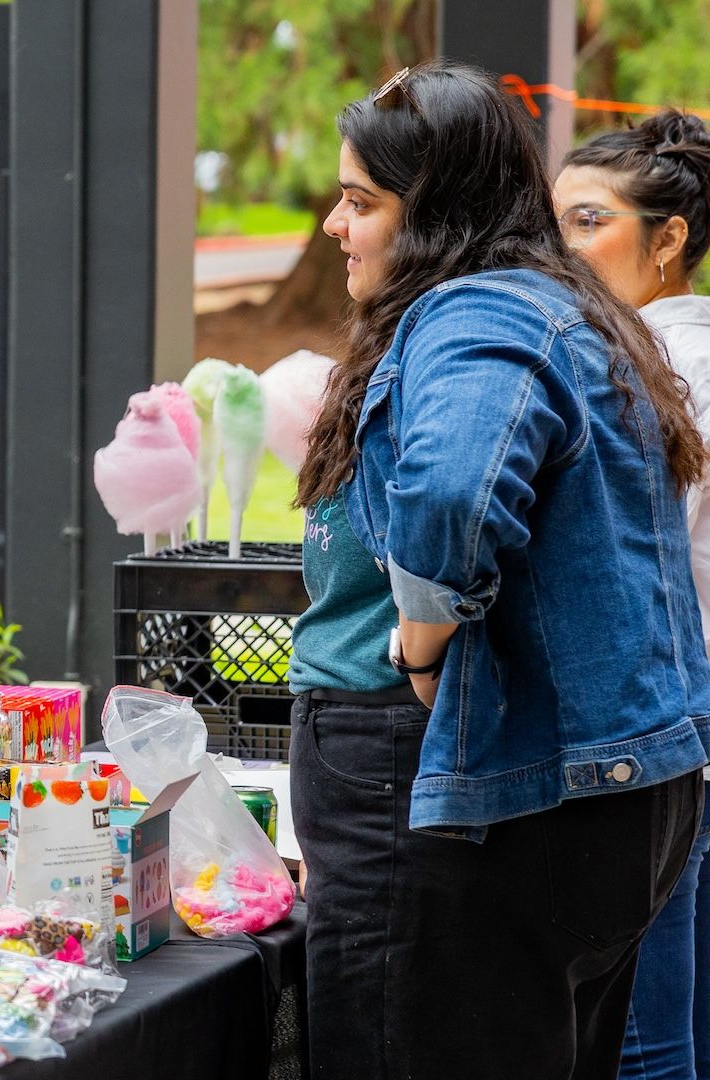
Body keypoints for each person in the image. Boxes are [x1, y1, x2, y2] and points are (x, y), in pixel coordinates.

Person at [292, 62, 710, 1079]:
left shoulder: (478, 312)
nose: (335, 227)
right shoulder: (565, 309)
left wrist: (421, 640)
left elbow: (451, 495)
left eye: (361, 202)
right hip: (588, 789)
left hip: (445, 782)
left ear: (437, 211)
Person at [556, 110, 710, 1080]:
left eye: (588, 222)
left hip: (663, 744)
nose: (561, 248)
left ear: (668, 239)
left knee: (644, 1048)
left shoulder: (646, 372)